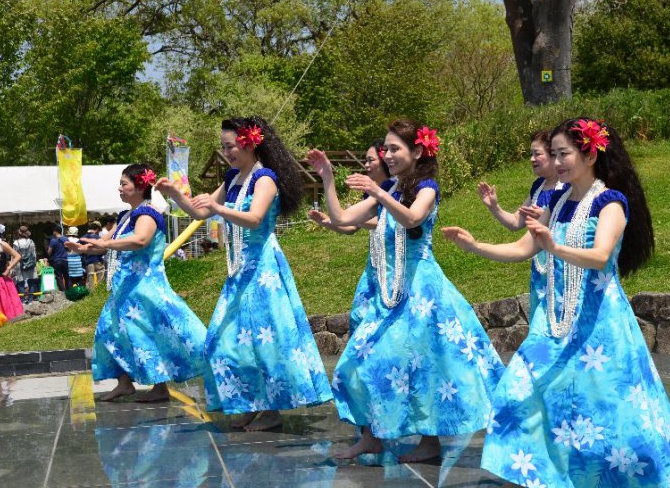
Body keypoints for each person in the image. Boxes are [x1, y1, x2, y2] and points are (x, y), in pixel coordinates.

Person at [443, 118, 670, 488]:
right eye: (554, 154)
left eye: (564, 154)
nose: (557, 162)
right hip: (554, 320)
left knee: (598, 403)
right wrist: (476, 246)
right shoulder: (557, 201)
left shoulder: (610, 202)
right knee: (518, 390)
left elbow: (599, 256)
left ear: (590, 155)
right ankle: (525, 476)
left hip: (598, 323)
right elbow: (524, 248)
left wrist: (555, 248)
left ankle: (603, 485)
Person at [308, 120, 505, 463]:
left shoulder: (427, 187)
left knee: (426, 364)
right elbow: (341, 219)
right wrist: (327, 177)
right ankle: (371, 436)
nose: (387, 154)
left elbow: (412, 218)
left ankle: (429, 442)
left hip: (422, 293)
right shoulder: (390, 188)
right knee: (357, 361)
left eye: (394, 148)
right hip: (389, 293)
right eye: (385, 149)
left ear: (416, 151)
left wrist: (380, 192)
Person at [156, 116, 332, 432]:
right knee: (221, 341)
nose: (226, 153)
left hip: (263, 270)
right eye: (223, 147)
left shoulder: (264, 178)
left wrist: (218, 209)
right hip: (238, 272)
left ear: (250, 143)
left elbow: (254, 218)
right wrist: (176, 194)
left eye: (230, 147)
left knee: (265, 341)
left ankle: (271, 409)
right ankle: (251, 402)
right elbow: (200, 211)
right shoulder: (233, 178)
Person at [69, 164, 206, 403]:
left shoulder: (148, 214)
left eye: (124, 184)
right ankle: (124, 383)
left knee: (144, 333)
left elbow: (140, 240)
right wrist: (83, 248)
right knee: (109, 330)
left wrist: (104, 244)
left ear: (140, 186)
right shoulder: (125, 216)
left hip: (145, 286)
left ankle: (160, 387)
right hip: (125, 287)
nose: (119, 188)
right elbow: (104, 242)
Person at [477, 130, 563, 317]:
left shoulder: (567, 187)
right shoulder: (538, 187)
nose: (532, 159)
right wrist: (494, 207)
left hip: (562, 265)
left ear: (554, 154)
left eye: (537, 154)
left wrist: (547, 218)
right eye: (531, 154)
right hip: (539, 267)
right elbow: (516, 222)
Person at [307, 140, 389, 334]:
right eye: (365, 160)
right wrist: (328, 222)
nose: (366, 165)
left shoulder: (401, 191)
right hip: (375, 268)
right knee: (359, 318)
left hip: (396, 269)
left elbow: (386, 222)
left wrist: (354, 219)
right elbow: (350, 226)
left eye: (371, 160)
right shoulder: (370, 196)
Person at [12, 225, 38, 304]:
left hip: (20, 264)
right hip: (30, 264)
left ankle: (23, 300)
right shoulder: (31, 241)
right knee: (31, 281)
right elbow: (34, 254)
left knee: (20, 282)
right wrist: (34, 263)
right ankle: (30, 300)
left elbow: (14, 255)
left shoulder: (16, 243)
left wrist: (12, 266)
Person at [47, 225, 70, 291]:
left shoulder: (53, 240)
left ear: (55, 232)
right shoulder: (66, 239)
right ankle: (69, 291)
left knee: (59, 277)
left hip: (57, 260)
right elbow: (69, 249)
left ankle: (62, 292)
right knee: (67, 276)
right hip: (65, 260)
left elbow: (49, 252)